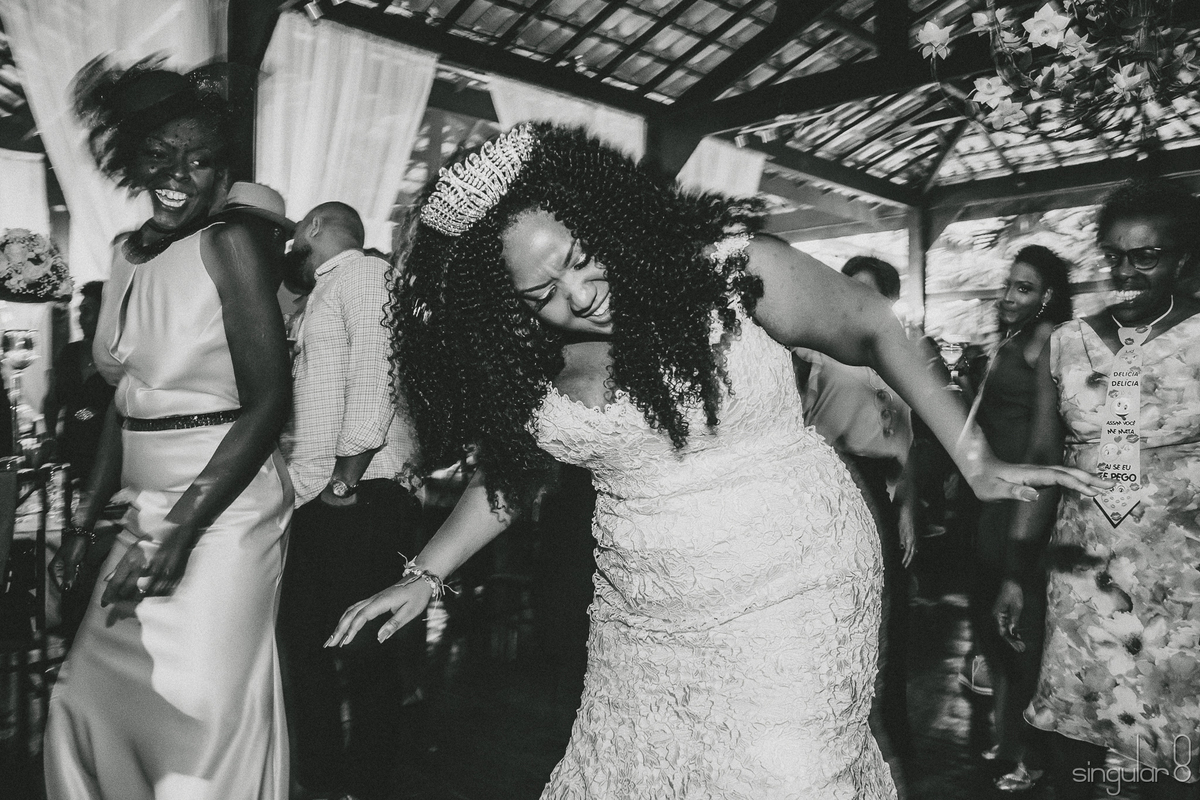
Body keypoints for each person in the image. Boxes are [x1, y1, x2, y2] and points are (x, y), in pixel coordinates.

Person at [329, 123, 1104, 799]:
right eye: (543, 294)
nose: (580, 293)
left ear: (602, 215)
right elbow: (508, 477)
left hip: (795, 582)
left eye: (579, 255)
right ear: (510, 308)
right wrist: (424, 573)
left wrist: (976, 460)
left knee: (787, 774)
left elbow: (870, 324)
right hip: (644, 613)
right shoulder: (535, 371)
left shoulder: (731, 271)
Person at [44, 59, 293, 800]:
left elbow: (269, 403)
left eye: (201, 159)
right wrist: (87, 521)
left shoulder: (229, 247)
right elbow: (128, 402)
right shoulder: (124, 254)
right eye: (160, 155)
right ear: (131, 158)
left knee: (199, 717)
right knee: (84, 694)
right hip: (141, 512)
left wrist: (184, 526)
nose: (180, 174)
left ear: (223, 171)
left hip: (224, 512)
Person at [994, 179, 1200, 800]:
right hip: (1083, 574)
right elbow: (1039, 460)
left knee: (1175, 748)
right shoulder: (1065, 343)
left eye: (1147, 256)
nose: (1128, 271)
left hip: (1181, 579)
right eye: (1114, 255)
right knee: (1088, 748)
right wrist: (1014, 570)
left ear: (1183, 259)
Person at [277, 202, 422, 800]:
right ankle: (331, 782)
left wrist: (344, 479)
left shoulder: (361, 274)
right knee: (309, 649)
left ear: (314, 226)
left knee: (365, 658)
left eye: (293, 235)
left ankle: (363, 785)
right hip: (333, 493)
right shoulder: (327, 291)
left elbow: (376, 373)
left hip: (361, 492)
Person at [792, 255, 917, 769]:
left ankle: (890, 750)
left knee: (888, 622)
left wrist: (909, 504)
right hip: (829, 485)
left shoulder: (900, 352)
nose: (850, 299)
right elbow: (791, 414)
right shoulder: (813, 345)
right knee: (831, 624)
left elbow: (909, 437)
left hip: (884, 491)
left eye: (864, 293)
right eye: (846, 287)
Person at [966, 245, 1073, 792]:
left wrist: (1027, 497)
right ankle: (1007, 736)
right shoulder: (1009, 338)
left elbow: (1043, 437)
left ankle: (1031, 753)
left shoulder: (1046, 338)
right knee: (993, 623)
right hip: (991, 496)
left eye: (1024, 288)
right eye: (1008, 285)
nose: (1009, 296)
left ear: (1048, 295)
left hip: (1022, 498)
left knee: (1023, 627)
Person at [43, 281, 114, 483]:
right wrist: (49, 435)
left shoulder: (117, 357)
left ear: (106, 315)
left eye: (88, 311)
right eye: (80, 311)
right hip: (69, 451)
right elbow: (52, 400)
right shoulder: (69, 354)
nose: (80, 318)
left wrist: (90, 412)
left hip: (105, 454)